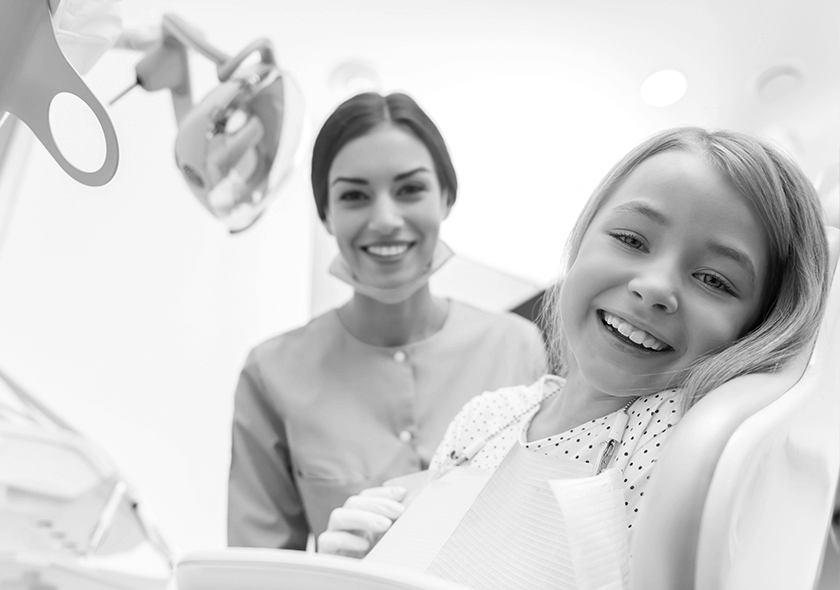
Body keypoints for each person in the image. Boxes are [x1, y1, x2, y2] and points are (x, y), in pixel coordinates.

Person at [317, 126, 831, 560]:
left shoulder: (683, 448)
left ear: (759, 327)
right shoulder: (486, 418)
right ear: (582, 239)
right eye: (631, 240)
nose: (654, 287)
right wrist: (374, 557)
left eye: (714, 280)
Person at [227, 92, 548, 550]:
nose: (385, 219)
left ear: (447, 198)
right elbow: (250, 576)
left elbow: (547, 530)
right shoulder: (271, 373)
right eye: (354, 196)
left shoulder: (518, 347)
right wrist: (326, 577)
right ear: (326, 214)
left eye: (410, 189)